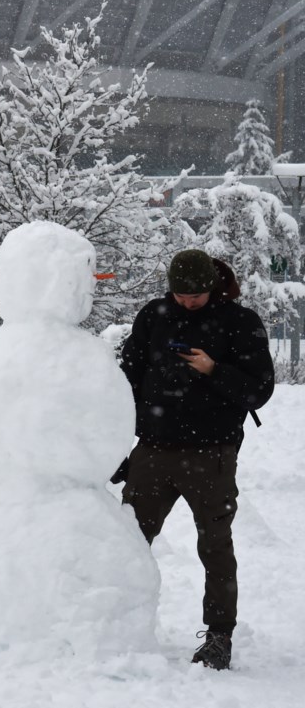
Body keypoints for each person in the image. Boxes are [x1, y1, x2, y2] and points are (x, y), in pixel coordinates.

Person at [117, 249, 274, 671]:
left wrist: (212, 369)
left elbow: (259, 390)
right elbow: (126, 379)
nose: (188, 301)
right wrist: (117, 445)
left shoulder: (240, 323)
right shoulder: (153, 315)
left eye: (197, 294)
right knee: (125, 540)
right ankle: (112, 624)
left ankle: (219, 636)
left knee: (215, 546)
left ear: (213, 285)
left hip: (211, 454)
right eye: (181, 293)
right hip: (152, 449)